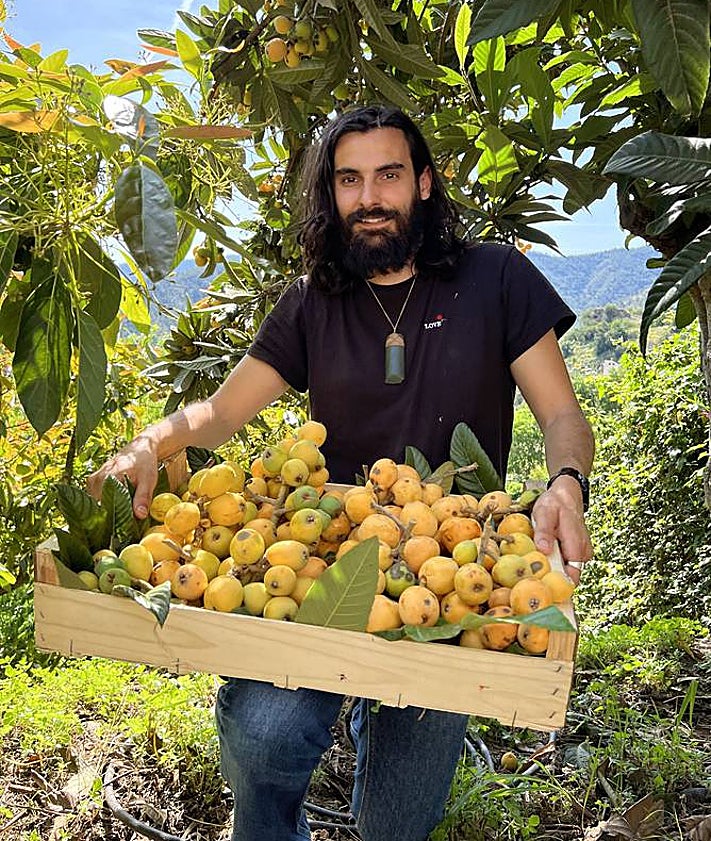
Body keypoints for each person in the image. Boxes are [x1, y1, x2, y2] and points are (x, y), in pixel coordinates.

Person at [89, 104, 594, 841]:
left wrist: (564, 483)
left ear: (422, 183)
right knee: (263, 738)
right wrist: (150, 441)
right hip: (322, 565)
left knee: (395, 826)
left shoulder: (497, 279)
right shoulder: (311, 303)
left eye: (388, 175)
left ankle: (373, 715)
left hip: (445, 578)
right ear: (331, 197)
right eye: (349, 181)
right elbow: (222, 412)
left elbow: (561, 417)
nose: (369, 198)